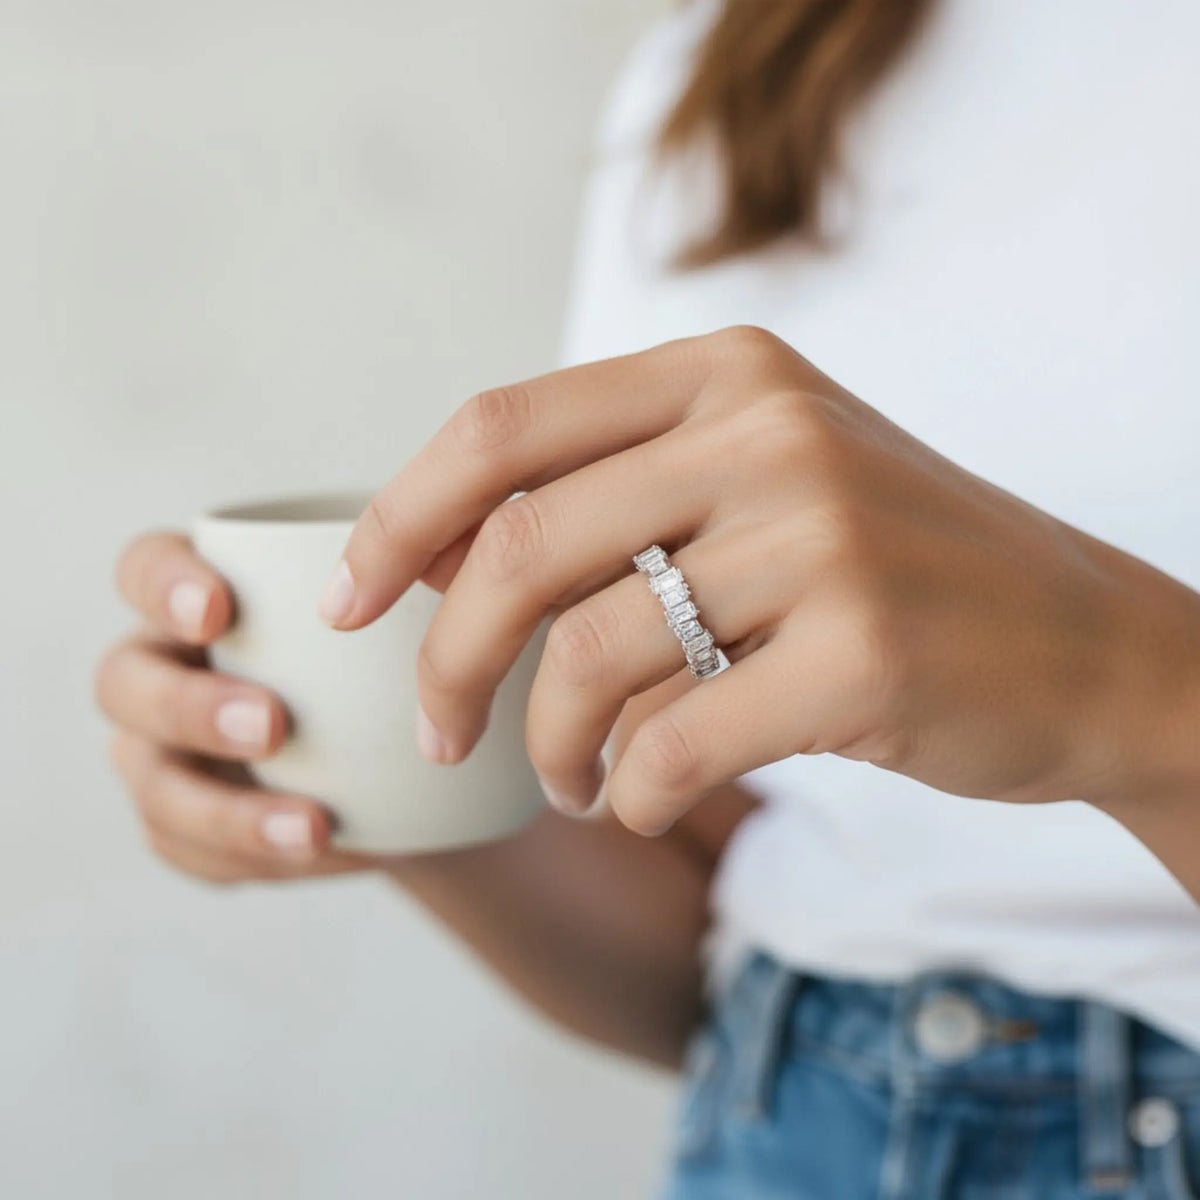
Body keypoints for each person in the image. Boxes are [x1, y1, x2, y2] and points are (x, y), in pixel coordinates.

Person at [94, 0, 1200, 1195]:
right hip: (783, 1124)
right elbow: (730, 923)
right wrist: (381, 762)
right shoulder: (731, 74)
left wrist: (1127, 696)